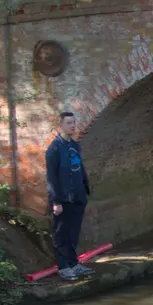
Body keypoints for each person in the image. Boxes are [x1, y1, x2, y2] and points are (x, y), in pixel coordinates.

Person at [45, 111, 92, 281]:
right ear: (60, 126)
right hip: (64, 199)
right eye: (69, 123)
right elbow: (51, 178)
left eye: (74, 122)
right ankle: (63, 266)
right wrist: (55, 201)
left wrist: (85, 189)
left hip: (78, 197)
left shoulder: (74, 145)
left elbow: (80, 169)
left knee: (74, 232)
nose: (73, 125)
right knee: (61, 233)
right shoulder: (54, 149)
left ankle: (74, 263)